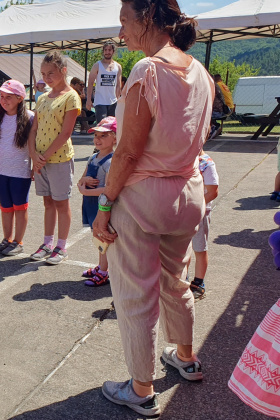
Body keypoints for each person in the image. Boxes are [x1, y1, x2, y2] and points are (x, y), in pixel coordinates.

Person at [93, 0, 213, 415]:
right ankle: (185, 356)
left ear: (148, 18)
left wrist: (105, 204)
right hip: (187, 195)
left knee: (135, 295)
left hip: (145, 200)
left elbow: (127, 152)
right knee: (174, 281)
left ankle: (141, 390)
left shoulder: (148, 71)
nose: (121, 33)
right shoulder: (200, 72)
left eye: (125, 22)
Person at [28, 51, 81, 265]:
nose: (47, 77)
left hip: (59, 160)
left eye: (51, 73)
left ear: (63, 71)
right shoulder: (41, 99)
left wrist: (45, 156)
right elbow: (33, 130)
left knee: (61, 203)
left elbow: (66, 133)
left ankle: (61, 246)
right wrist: (34, 155)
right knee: (48, 202)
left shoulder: (71, 97)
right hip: (41, 160)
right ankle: (47, 243)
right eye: (43, 73)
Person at [0, 80, 34, 257]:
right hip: (0, 170)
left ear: (20, 98)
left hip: (20, 172)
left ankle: (18, 242)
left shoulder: (30, 117)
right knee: (5, 207)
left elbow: (34, 145)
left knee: (20, 207)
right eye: (2, 97)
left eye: (8, 97)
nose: (4, 101)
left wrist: (34, 166)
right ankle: (7, 238)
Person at [77, 117, 116, 287]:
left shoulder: (111, 161)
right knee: (97, 236)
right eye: (96, 136)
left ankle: (104, 272)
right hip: (90, 203)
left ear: (115, 138)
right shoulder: (93, 157)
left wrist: (87, 191)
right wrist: (83, 181)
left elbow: (109, 188)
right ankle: (101, 266)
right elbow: (81, 179)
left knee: (103, 238)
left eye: (104, 136)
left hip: (102, 205)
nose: (98, 139)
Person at [185, 150, 219, 300]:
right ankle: (183, 278)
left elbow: (213, 191)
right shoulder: (182, 159)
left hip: (200, 213)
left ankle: (198, 282)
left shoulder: (206, 163)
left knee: (199, 248)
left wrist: (195, 206)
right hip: (182, 213)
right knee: (182, 248)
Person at [86, 40, 123, 123]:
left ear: (113, 51)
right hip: (100, 101)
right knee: (102, 125)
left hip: (113, 101)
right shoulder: (97, 65)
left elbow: (118, 85)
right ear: (103, 51)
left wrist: (118, 100)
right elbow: (90, 82)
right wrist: (89, 100)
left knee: (112, 126)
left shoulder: (118, 66)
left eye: (109, 50)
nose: (107, 52)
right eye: (105, 50)